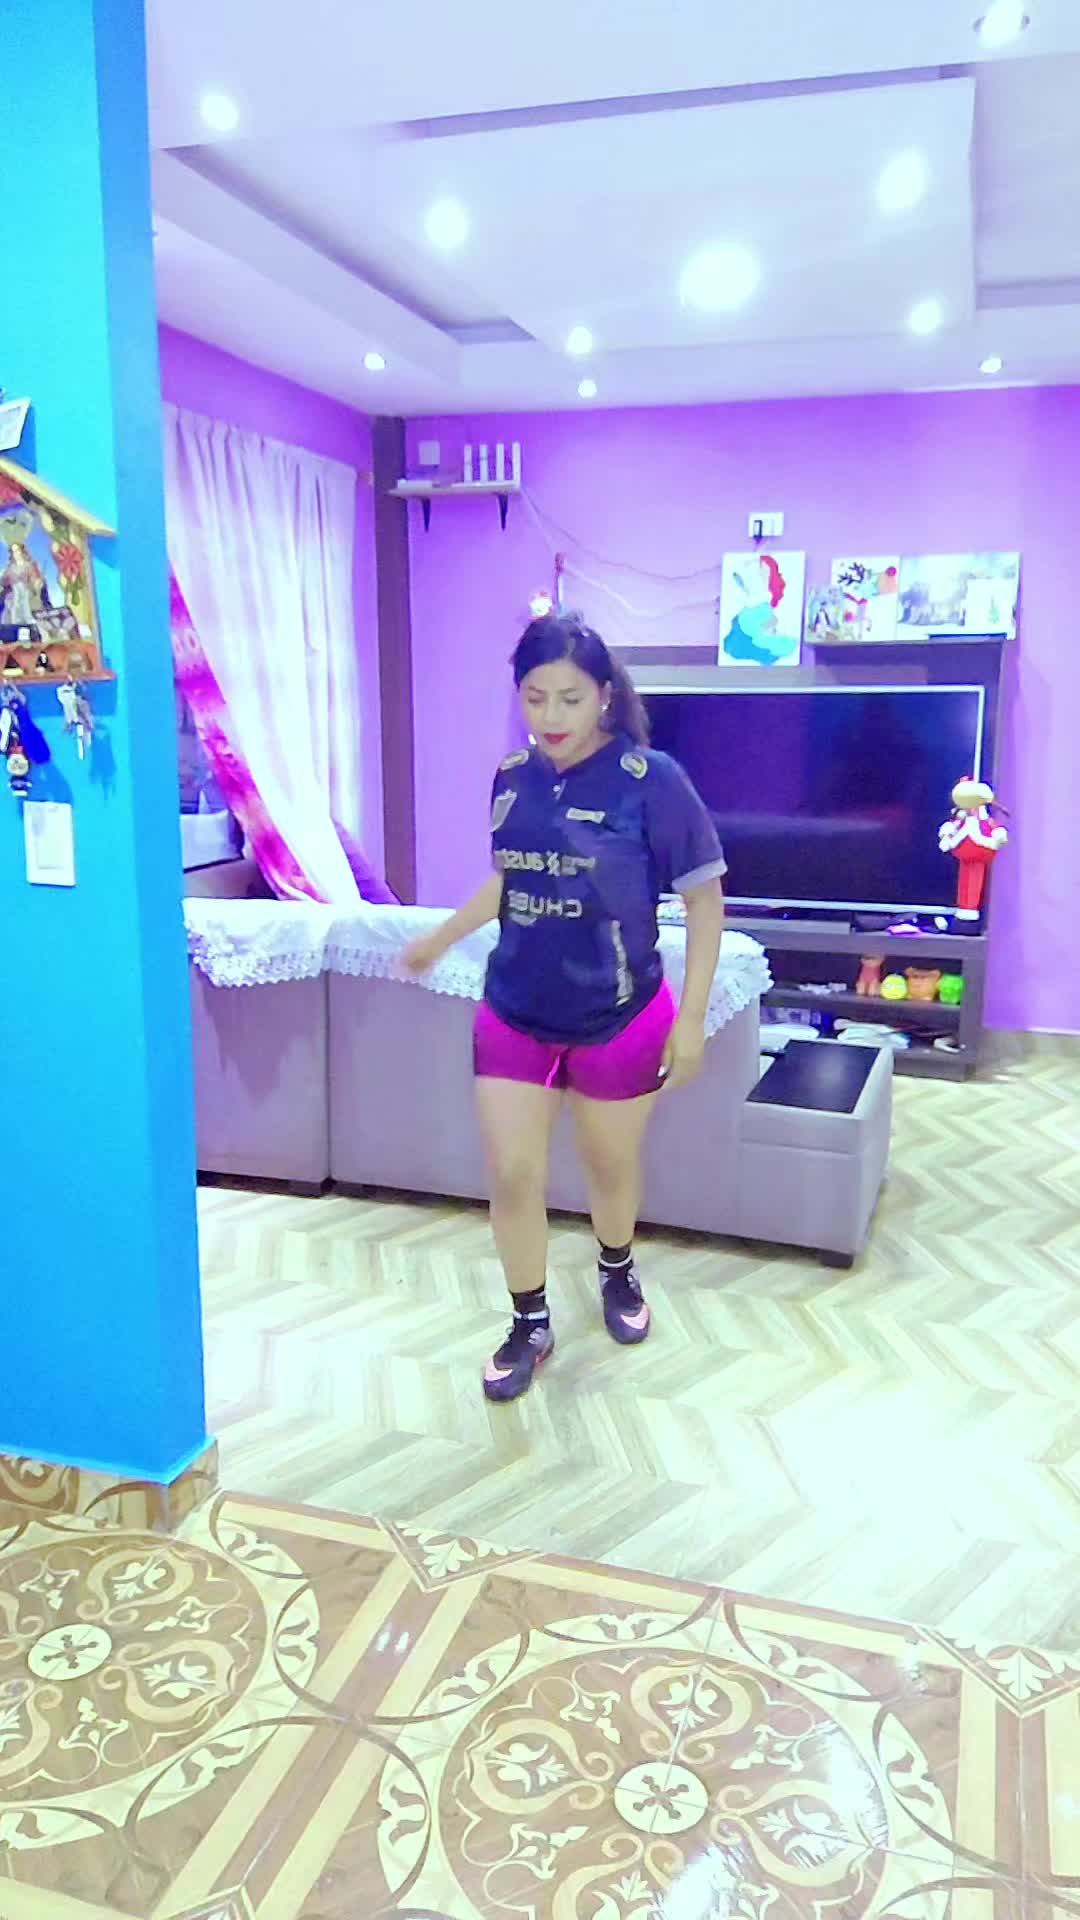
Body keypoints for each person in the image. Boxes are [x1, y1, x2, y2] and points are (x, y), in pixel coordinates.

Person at [402, 612, 727, 1402]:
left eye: (570, 700)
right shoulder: (513, 775)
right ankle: (529, 1321)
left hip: (619, 1013)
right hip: (514, 1007)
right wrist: (441, 938)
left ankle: (616, 1266)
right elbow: (514, 876)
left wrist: (690, 1021)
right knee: (512, 1172)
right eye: (535, 697)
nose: (551, 717)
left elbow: (706, 901)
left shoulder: (653, 781)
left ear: (605, 697)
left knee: (609, 1168)